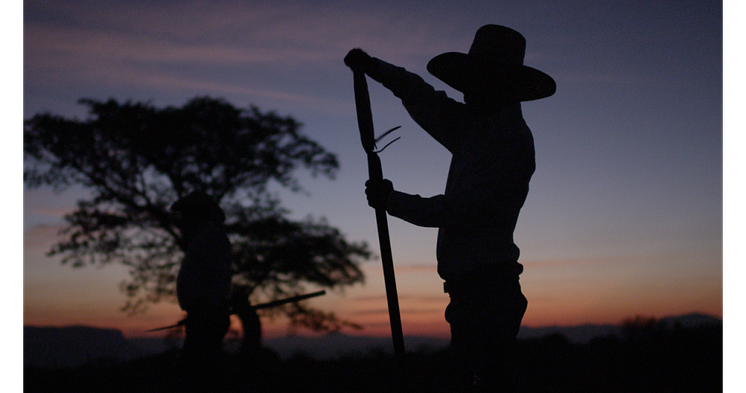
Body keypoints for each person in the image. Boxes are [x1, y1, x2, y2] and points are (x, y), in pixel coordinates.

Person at [345, 25, 555, 392]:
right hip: (473, 292)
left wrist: (392, 201)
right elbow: (422, 97)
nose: (467, 90)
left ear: (500, 85)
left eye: (477, 81)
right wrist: (374, 68)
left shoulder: (510, 142)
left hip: (488, 294)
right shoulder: (475, 128)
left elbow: (462, 212)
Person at [170, 191, 233, 392]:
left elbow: (220, 276)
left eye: (186, 213)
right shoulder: (203, 237)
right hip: (203, 315)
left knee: (197, 375)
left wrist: (208, 310)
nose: (182, 219)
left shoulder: (211, 236)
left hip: (207, 317)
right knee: (201, 373)